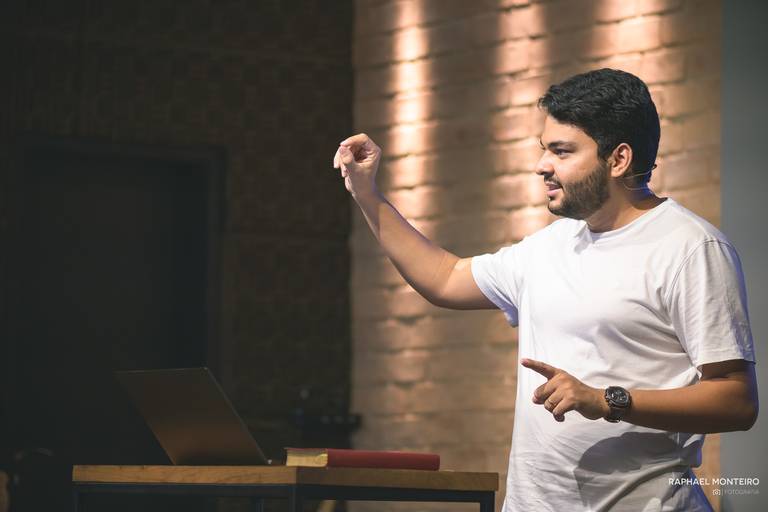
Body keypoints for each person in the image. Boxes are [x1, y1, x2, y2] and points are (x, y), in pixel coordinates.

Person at [332, 68, 757, 511]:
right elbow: (443, 278)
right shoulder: (551, 245)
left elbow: (736, 399)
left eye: (562, 151)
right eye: (544, 149)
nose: (542, 166)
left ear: (619, 159)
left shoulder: (690, 248)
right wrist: (366, 191)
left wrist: (606, 400)